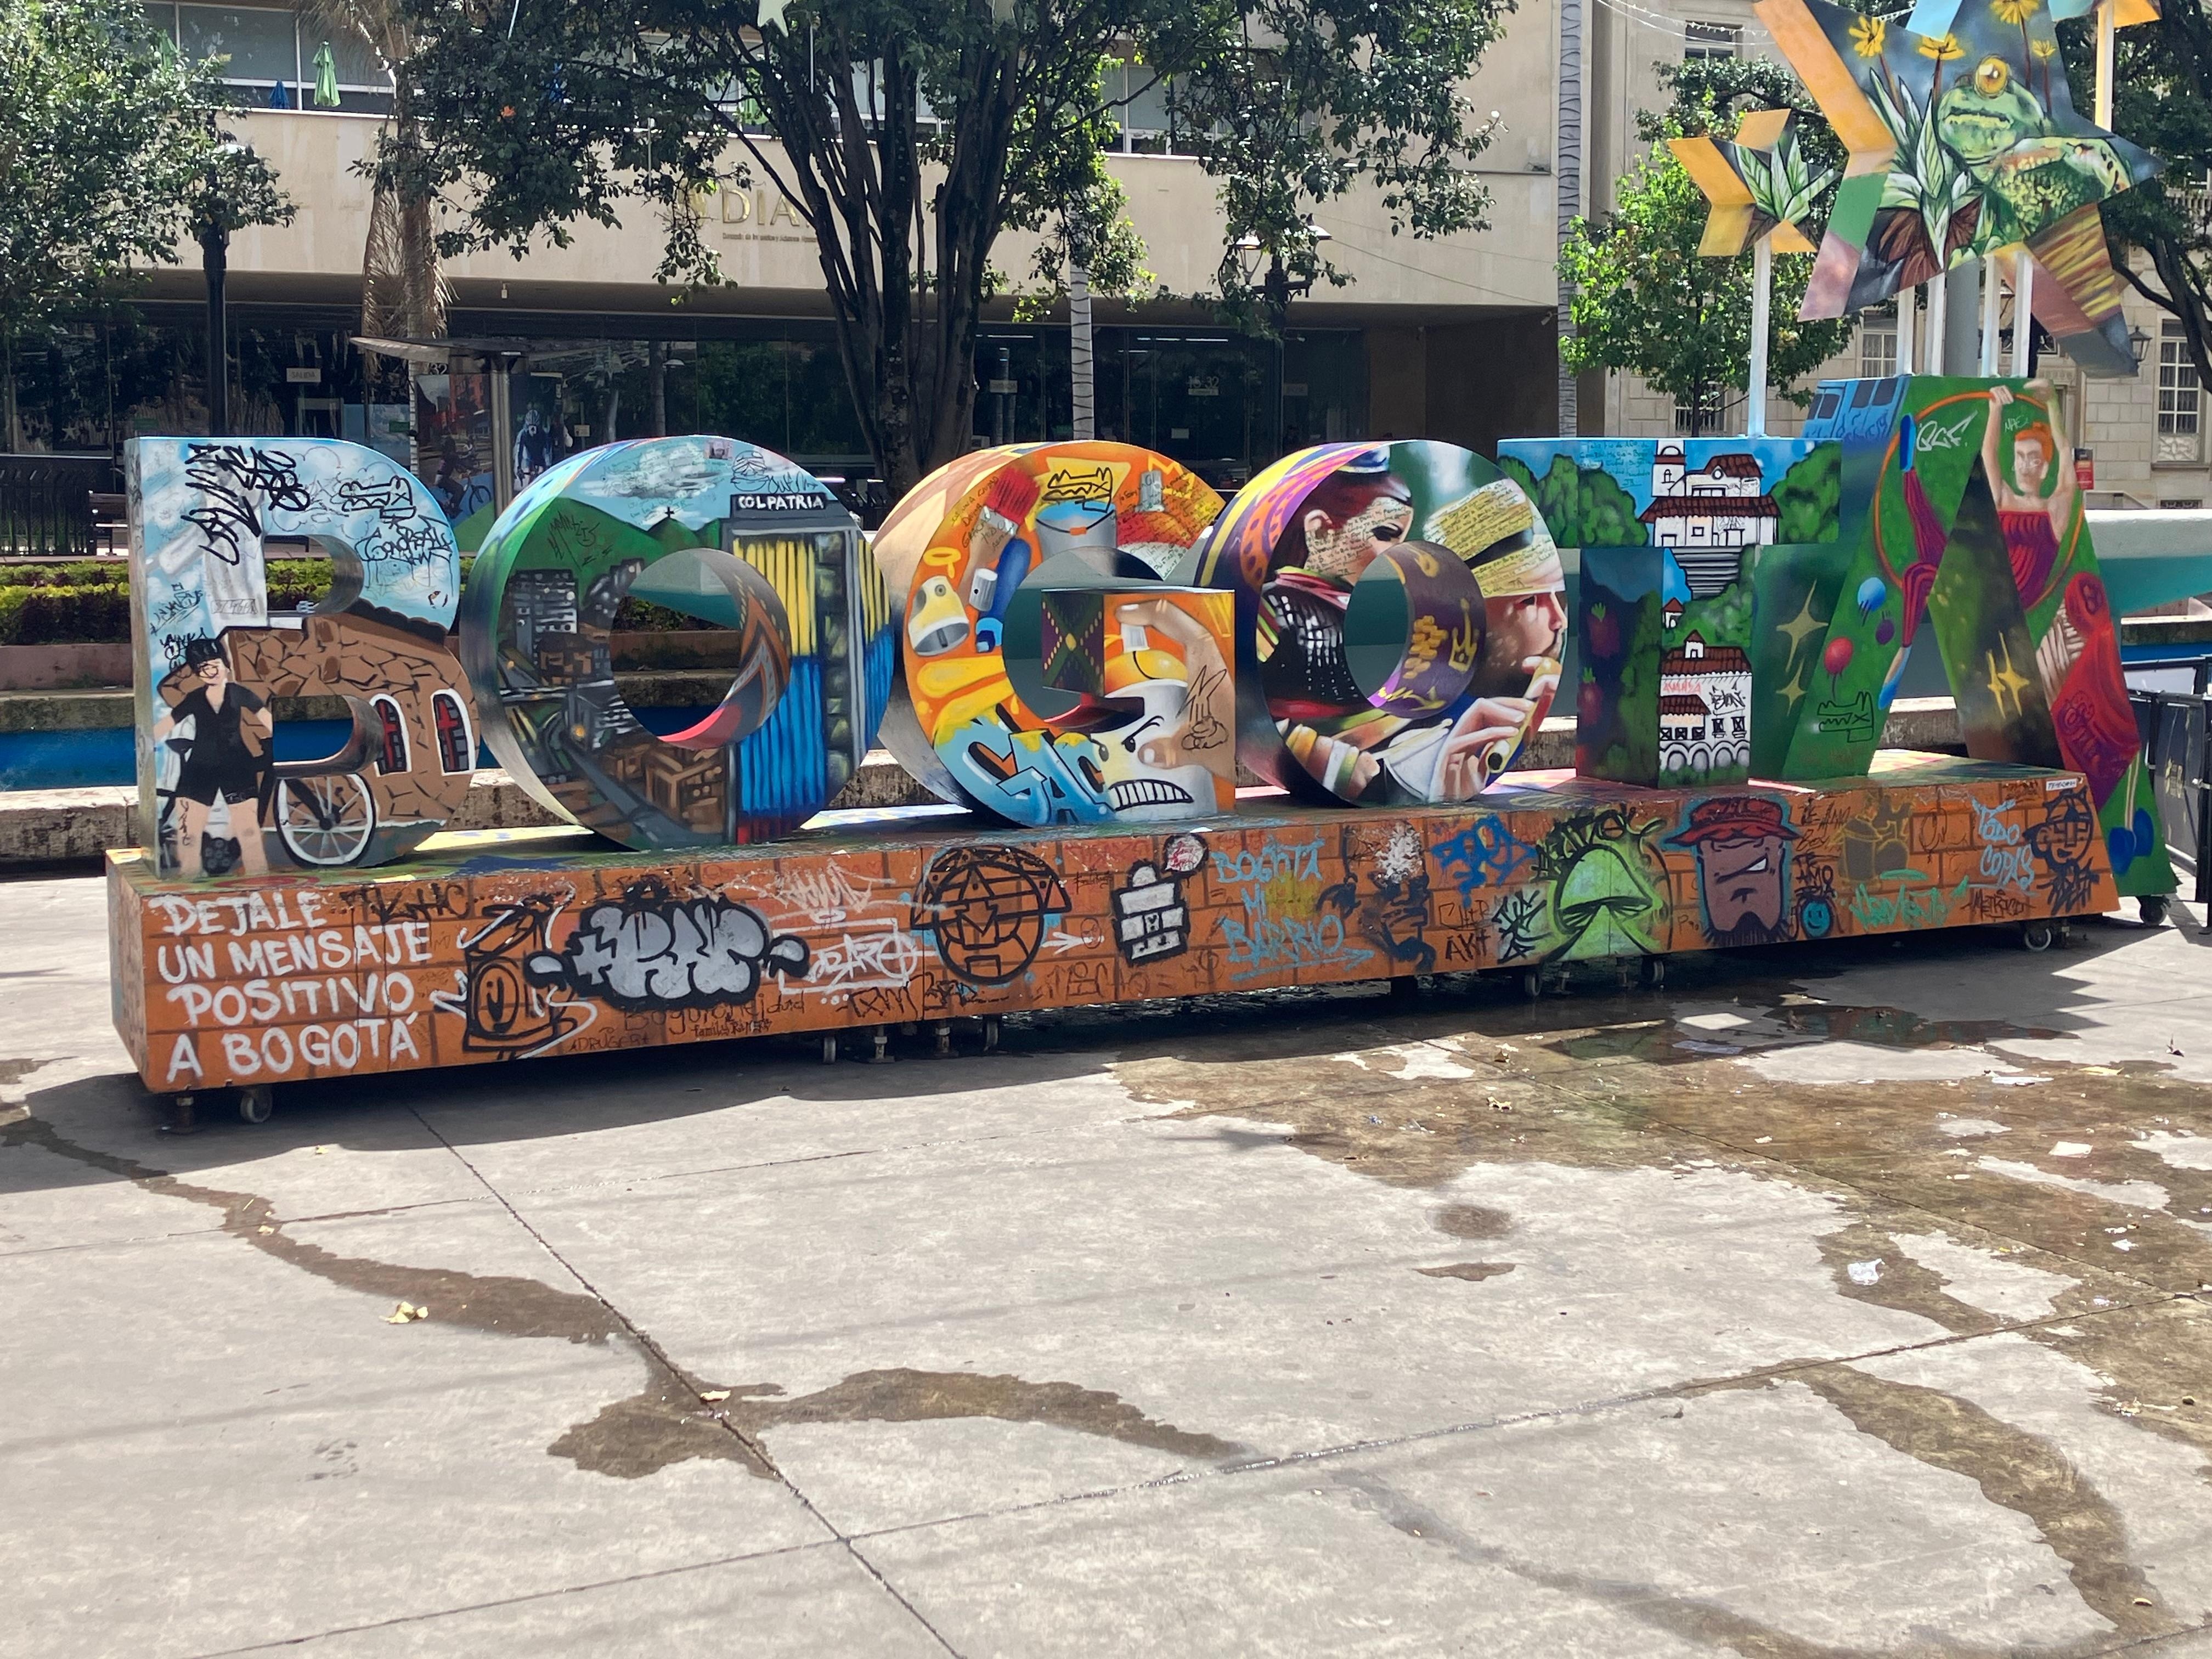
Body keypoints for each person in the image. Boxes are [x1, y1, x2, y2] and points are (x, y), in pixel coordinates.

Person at [153, 636, 272, 879]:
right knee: (189, 831)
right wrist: (146, 741)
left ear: (226, 665)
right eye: (203, 668)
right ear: (198, 673)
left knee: (248, 829)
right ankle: (189, 878)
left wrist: (280, 739)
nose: (211, 671)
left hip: (237, 765)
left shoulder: (238, 693)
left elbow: (264, 716)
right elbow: (170, 721)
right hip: (201, 766)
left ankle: (258, 876)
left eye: (215, 664)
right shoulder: (196, 698)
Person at [1982, 382, 2076, 610]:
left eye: (2033, 459)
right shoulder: (2003, 498)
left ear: (2044, 468)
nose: (2024, 467)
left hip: (2025, 611)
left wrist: (2052, 403)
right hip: (1992, 603)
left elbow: (2065, 451)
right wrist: (1995, 409)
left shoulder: (2054, 512)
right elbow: (1989, 453)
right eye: (2019, 457)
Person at [515, 406, 557, 491]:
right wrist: (519, 468)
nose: (533, 430)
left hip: (541, 460)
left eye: (535, 427)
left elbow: (547, 451)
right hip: (529, 461)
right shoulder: (523, 435)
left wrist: (548, 466)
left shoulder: (543, 434)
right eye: (530, 427)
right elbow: (520, 452)